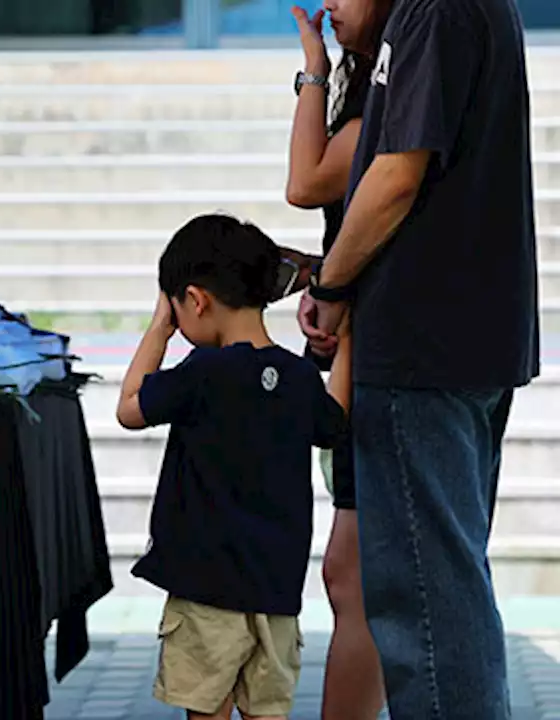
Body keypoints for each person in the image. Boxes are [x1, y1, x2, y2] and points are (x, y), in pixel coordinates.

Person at [299, 0, 540, 714]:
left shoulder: (435, 12)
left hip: (423, 350)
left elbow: (396, 175)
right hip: (459, 344)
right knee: (446, 594)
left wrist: (330, 284)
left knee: (429, 611)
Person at [116, 214, 350, 720]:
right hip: (277, 593)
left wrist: (159, 325)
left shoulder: (201, 372)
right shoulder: (298, 379)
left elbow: (129, 408)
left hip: (206, 591)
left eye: (178, 309)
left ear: (195, 300)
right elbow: (338, 423)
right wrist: (346, 337)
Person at [283, 1, 392, 717]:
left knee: (352, 576)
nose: (328, 7)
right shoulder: (372, 90)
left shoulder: (387, 100)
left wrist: (314, 71)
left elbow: (304, 181)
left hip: (376, 353)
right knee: (348, 573)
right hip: (351, 343)